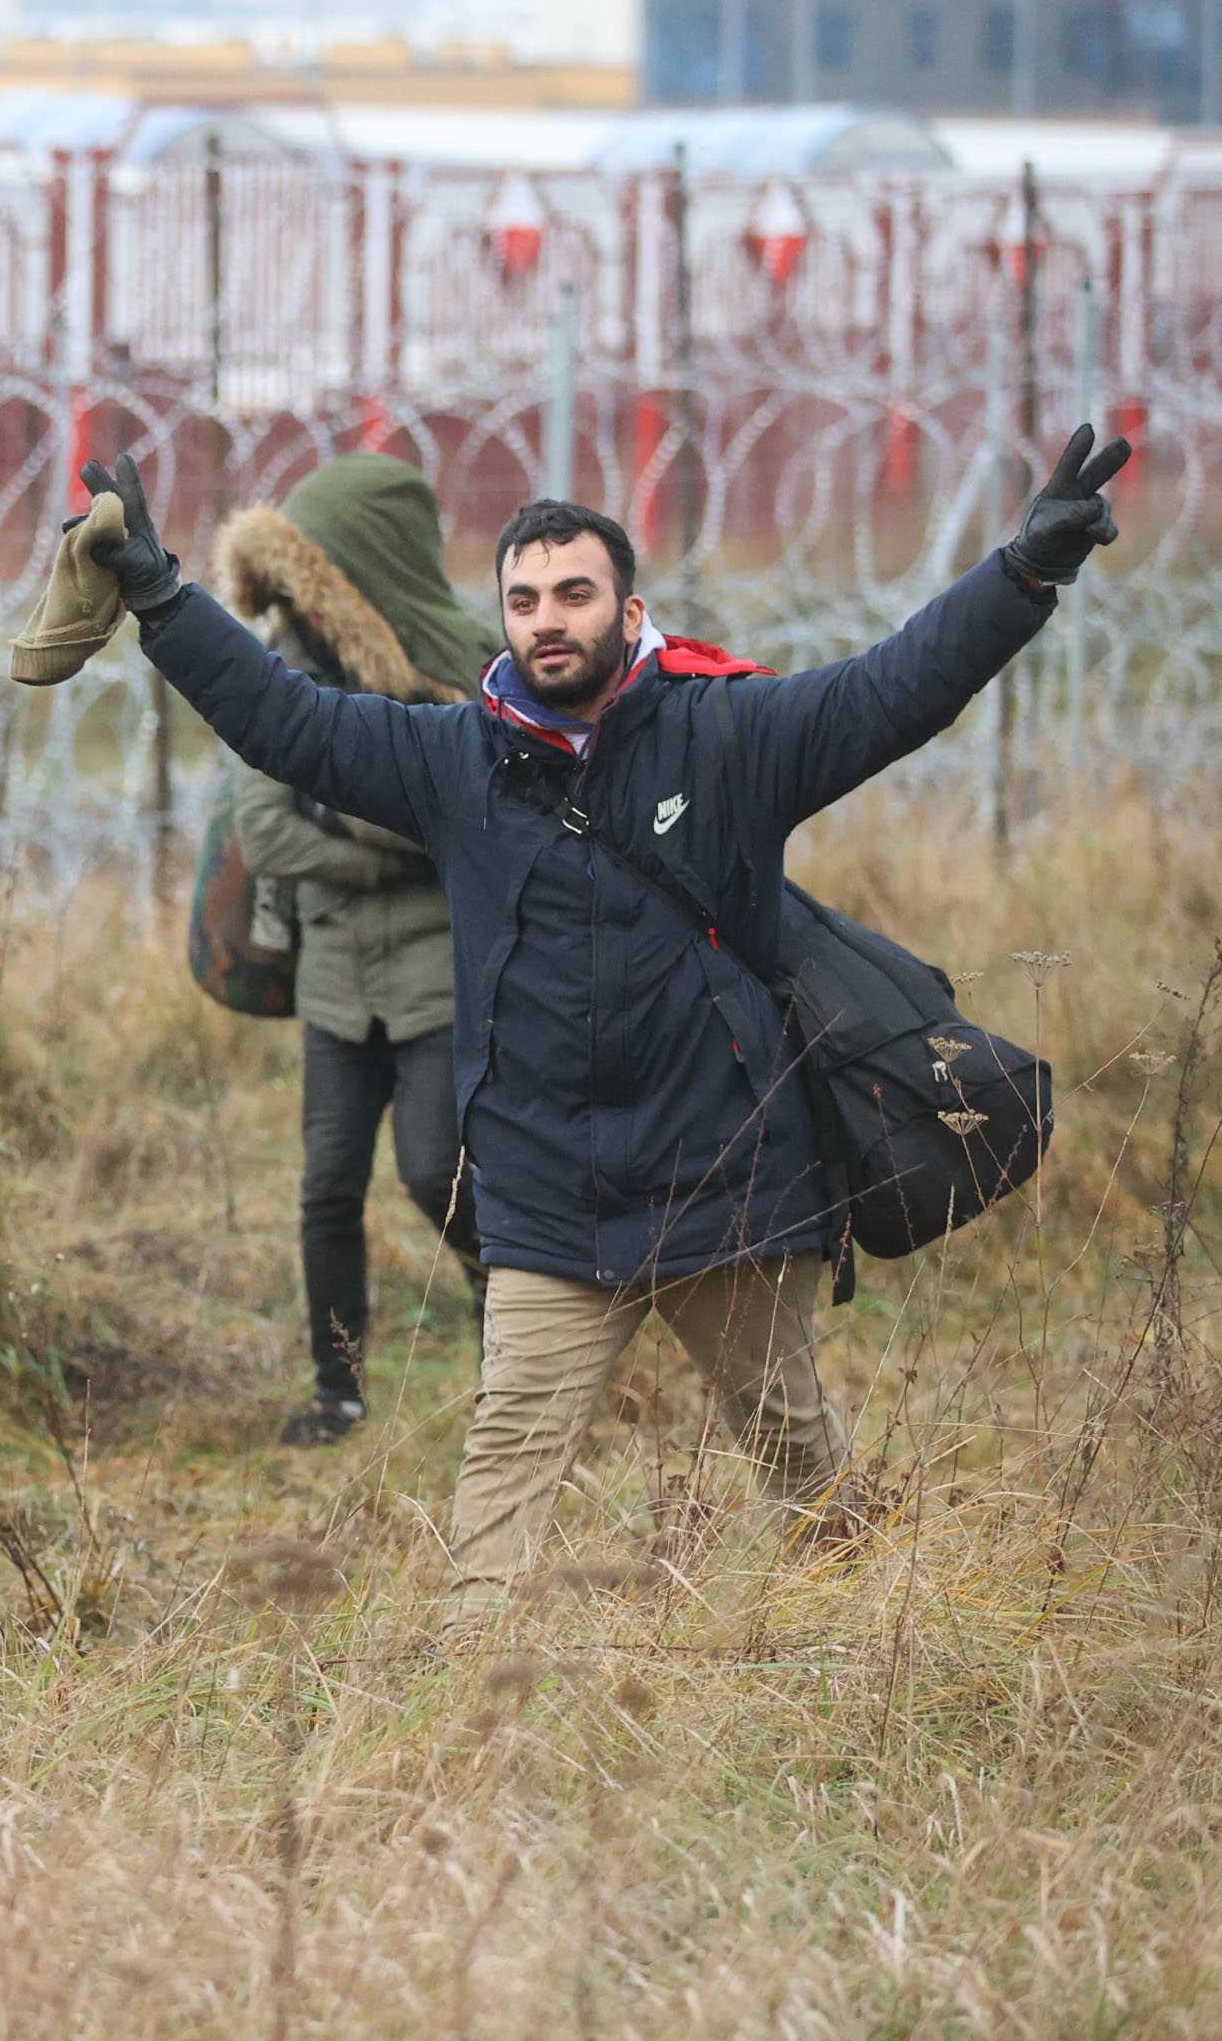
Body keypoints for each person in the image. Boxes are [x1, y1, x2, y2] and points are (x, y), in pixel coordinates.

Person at [77, 428, 1126, 1625]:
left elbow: (894, 690)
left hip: (724, 1180)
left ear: (630, 609)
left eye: (573, 592)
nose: (546, 619)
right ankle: (470, 1706)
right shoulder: (451, 761)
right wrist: (162, 594)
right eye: (523, 600)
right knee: (510, 1444)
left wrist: (1022, 578)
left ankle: (868, 1627)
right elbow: (285, 720)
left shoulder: (731, 736)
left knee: (790, 1440)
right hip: (546, 1191)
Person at [215, 456, 491, 1445]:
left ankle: (510, 1310)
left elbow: (461, 821)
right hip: (333, 982)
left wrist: (349, 814)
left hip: (432, 979)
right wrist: (395, 834)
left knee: (434, 1169)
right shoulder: (277, 669)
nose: (304, 605)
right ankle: (339, 1387)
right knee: (326, 1186)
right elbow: (269, 833)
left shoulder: (454, 675)